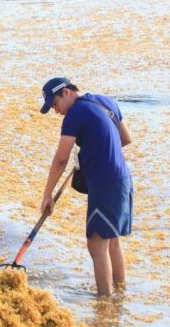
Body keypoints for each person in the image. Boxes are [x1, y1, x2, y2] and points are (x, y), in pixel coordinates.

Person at [39, 77, 133, 296]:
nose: (56, 111)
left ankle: (104, 303)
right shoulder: (107, 101)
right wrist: (97, 148)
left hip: (104, 184)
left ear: (67, 92)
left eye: (55, 104)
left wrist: (47, 194)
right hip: (123, 179)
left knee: (96, 244)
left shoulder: (75, 114)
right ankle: (119, 298)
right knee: (112, 241)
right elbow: (126, 138)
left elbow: (61, 160)